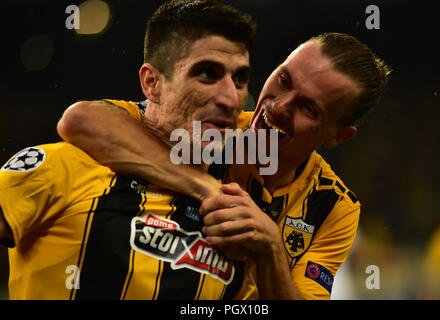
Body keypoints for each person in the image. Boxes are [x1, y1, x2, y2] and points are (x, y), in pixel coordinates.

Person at [58, 32, 391, 299]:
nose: (279, 106)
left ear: (338, 136)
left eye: (308, 109)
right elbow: (83, 120)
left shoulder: (334, 207)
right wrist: (204, 186)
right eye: (284, 80)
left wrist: (271, 248)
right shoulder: (210, 128)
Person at [0, 0, 258, 299]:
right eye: (207, 74)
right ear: (152, 83)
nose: (230, 98)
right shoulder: (66, 166)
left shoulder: (236, 223)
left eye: (240, 79)